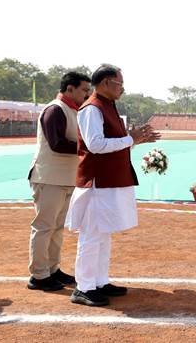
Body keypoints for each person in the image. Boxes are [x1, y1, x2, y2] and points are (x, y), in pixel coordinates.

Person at [65, 65, 160, 307]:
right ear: (106, 83)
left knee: (103, 233)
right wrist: (131, 139)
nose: (122, 89)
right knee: (92, 234)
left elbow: (110, 143)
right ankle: (84, 286)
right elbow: (96, 145)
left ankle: (99, 281)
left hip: (110, 181)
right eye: (120, 84)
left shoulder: (107, 106)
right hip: (98, 181)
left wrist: (134, 140)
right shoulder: (92, 109)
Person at [27, 71, 92, 292]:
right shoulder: (54, 110)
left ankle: (52, 269)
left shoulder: (74, 111)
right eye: (84, 89)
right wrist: (86, 147)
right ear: (70, 88)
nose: (87, 94)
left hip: (64, 178)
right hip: (49, 178)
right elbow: (56, 143)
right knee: (44, 227)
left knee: (56, 227)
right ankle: (38, 275)